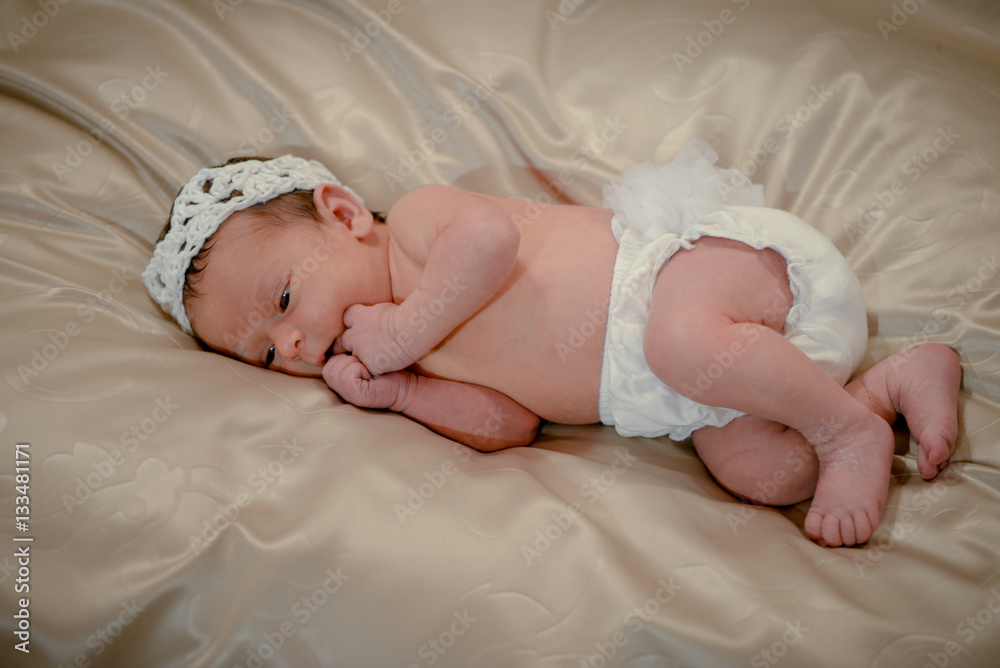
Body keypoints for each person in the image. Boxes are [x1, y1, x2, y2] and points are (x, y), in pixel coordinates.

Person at [143, 141, 961, 547]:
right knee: (765, 475)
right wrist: (401, 392)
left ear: (345, 215)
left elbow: (491, 240)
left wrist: (403, 329)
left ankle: (843, 432)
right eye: (261, 354)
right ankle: (882, 392)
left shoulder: (418, 231)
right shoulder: (403, 360)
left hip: (702, 277)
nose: (289, 343)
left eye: (284, 299)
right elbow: (510, 425)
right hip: (714, 388)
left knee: (680, 340)